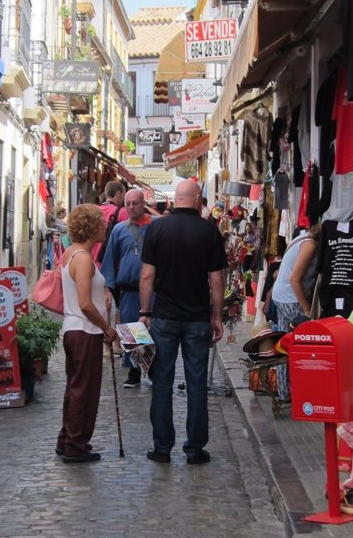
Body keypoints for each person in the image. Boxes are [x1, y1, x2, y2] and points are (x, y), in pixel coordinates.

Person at [139, 179, 228, 465]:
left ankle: (162, 448)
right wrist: (217, 315)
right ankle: (194, 449)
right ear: (199, 198)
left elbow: (147, 276)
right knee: (196, 383)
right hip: (197, 318)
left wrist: (145, 311)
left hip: (164, 316)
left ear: (175, 199)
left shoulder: (156, 228)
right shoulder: (209, 232)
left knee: (162, 382)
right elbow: (216, 279)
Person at [55, 204, 119, 463]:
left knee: (75, 387)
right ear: (92, 227)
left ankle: (67, 439)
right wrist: (107, 327)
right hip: (85, 329)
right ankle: (76, 445)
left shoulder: (72, 253)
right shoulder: (82, 258)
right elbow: (84, 302)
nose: (105, 227)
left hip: (75, 329)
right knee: (85, 390)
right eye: (102, 224)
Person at [101, 188, 156, 388]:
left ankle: (153, 372)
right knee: (132, 332)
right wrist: (108, 288)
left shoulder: (156, 226)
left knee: (153, 332)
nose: (131, 208)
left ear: (143, 203)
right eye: (127, 204)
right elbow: (109, 260)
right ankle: (134, 372)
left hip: (155, 290)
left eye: (135, 203)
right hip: (130, 291)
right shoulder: (119, 230)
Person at [271, 224, 320, 331]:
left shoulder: (300, 238)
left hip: (281, 296)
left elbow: (278, 273)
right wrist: (307, 309)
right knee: (302, 336)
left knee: (286, 339)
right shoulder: (309, 245)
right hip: (291, 298)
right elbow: (294, 279)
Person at [91, 180, 129, 264]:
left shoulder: (92, 210)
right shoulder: (122, 213)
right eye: (124, 194)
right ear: (118, 193)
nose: (124, 199)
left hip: (90, 262)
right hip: (110, 264)